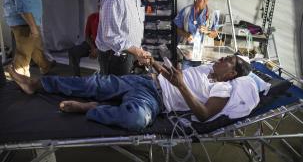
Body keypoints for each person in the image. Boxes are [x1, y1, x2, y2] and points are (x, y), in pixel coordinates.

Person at [8, 54, 253, 131]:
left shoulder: (224, 89)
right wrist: (156, 64)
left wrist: (180, 86)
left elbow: (202, 114)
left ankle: (92, 108)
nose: (220, 59)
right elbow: (175, 75)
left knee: (135, 119)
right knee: (94, 84)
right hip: (147, 80)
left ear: (232, 74)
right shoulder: (207, 66)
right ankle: (37, 84)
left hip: (155, 100)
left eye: (227, 60)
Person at [96, 0, 161, 76]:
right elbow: (110, 36)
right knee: (116, 93)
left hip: (127, 54)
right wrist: (138, 52)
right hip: (115, 58)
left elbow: (130, 28)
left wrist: (137, 52)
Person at [174, 0, 219, 69]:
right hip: (187, 53)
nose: (202, 0)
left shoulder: (213, 14)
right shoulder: (186, 11)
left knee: (200, 79)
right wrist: (186, 35)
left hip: (204, 56)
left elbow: (215, 34)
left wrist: (208, 31)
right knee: (185, 78)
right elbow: (178, 29)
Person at [68, 1, 100, 76]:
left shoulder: (110, 19)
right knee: (73, 52)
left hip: (106, 48)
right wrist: (93, 48)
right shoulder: (92, 17)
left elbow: (111, 41)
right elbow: (87, 36)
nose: (100, 7)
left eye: (102, 6)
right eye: (99, 6)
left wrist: (98, 50)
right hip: (93, 45)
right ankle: (76, 78)